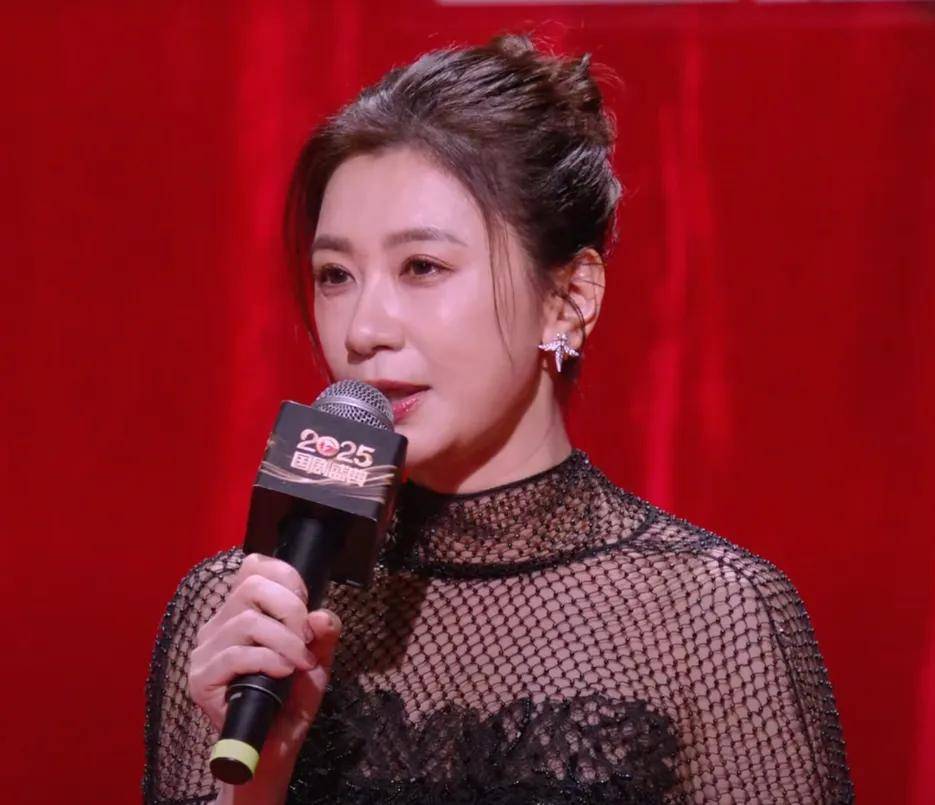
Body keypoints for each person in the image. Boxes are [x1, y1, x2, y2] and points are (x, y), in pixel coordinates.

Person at [143, 34, 854, 804]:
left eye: (421, 267)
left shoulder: (710, 615)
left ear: (569, 298)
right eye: (335, 274)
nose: (362, 329)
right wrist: (257, 785)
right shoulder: (243, 623)